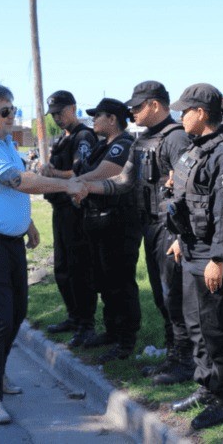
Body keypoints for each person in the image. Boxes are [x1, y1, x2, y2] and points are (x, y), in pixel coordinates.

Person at [0, 83, 87, 424]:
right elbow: (20, 182)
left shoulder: (2, 142)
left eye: (12, 110)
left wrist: (27, 224)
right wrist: (67, 184)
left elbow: (14, 191)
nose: (11, 117)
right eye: (4, 112)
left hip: (9, 241)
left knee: (16, 313)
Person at [81, 81, 195, 384]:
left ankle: (185, 361)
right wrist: (86, 186)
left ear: (155, 105)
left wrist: (183, 236)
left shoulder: (176, 138)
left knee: (173, 295)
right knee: (162, 294)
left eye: (137, 107)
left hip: (171, 227)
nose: (131, 112)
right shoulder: (142, 140)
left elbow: (189, 191)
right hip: (150, 224)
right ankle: (174, 355)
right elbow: (124, 180)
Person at [165, 83, 223, 430]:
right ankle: (206, 387)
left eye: (184, 111)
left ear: (200, 113)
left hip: (214, 255)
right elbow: (187, 200)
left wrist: (218, 258)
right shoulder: (196, 150)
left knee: (218, 329)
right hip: (191, 249)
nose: (180, 117)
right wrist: (177, 237)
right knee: (197, 326)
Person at [78, 98, 142, 363]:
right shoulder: (102, 145)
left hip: (118, 221)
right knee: (104, 281)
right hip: (97, 220)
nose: (93, 120)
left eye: (98, 115)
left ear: (112, 119)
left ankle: (125, 340)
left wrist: (74, 183)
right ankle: (112, 331)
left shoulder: (123, 145)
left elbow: (105, 173)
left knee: (120, 282)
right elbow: (85, 170)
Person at [39, 91, 98, 347]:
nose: (58, 117)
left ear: (73, 108)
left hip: (76, 212)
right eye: (53, 114)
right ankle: (74, 318)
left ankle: (86, 324)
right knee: (62, 269)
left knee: (79, 270)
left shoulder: (84, 137)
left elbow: (81, 172)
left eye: (61, 112)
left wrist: (53, 175)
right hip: (60, 210)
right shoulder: (63, 139)